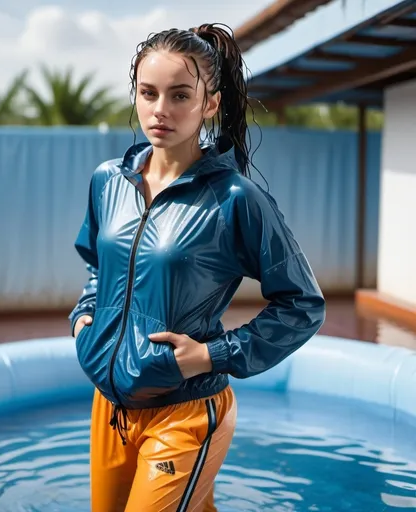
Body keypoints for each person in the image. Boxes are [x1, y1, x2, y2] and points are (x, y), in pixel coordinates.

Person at [69, 23, 326, 512]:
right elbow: (98, 267)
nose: (160, 109)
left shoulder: (235, 199)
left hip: (184, 412)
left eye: (179, 95)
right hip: (109, 407)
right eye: (148, 93)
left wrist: (210, 355)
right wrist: (85, 319)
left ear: (209, 104)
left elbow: (303, 305)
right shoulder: (108, 181)